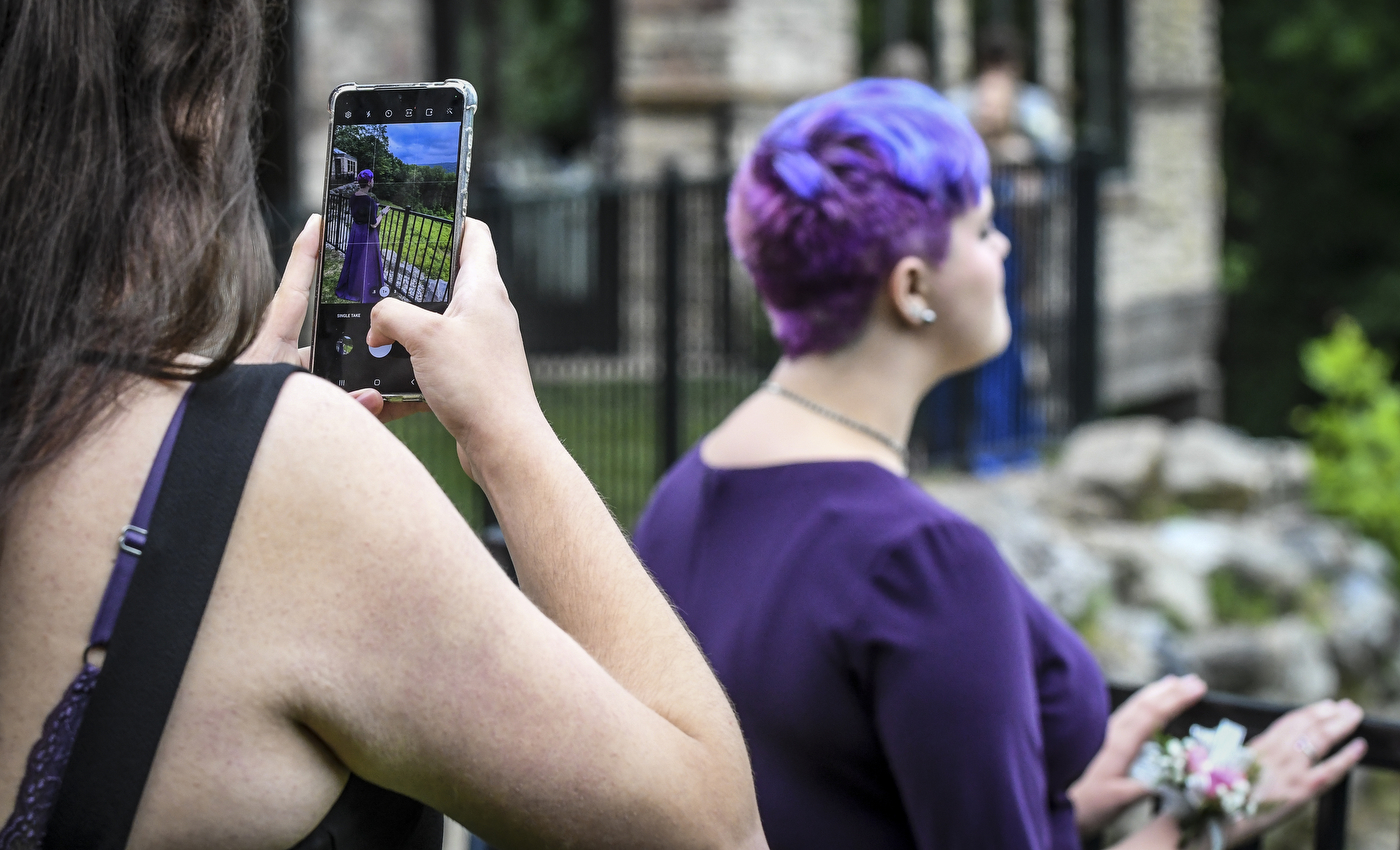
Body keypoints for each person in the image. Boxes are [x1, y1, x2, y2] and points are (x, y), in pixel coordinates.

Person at [0, 1, 766, 848]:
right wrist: (506, 431)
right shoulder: (294, 474)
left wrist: (215, 426)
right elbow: (716, 829)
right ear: (186, 104)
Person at [632, 78, 1366, 850]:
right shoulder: (919, 560)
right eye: (982, 229)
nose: (1002, 249)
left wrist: (1055, 810)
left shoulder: (683, 496)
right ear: (912, 287)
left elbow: (826, 793)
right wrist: (1205, 820)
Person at [946, 25, 1071, 165]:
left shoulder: (1032, 103)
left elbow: (1059, 148)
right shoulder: (961, 102)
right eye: (991, 64)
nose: (997, 75)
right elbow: (943, 147)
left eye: (1003, 65)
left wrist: (1027, 148)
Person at [335, 169, 389, 303]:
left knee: (355, 260)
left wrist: (373, 208)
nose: (373, 181)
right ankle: (365, 290)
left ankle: (353, 287)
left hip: (356, 231)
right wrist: (382, 212)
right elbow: (373, 224)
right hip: (367, 234)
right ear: (369, 182)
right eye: (373, 179)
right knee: (366, 262)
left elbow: (360, 210)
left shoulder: (353, 197)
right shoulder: (370, 201)